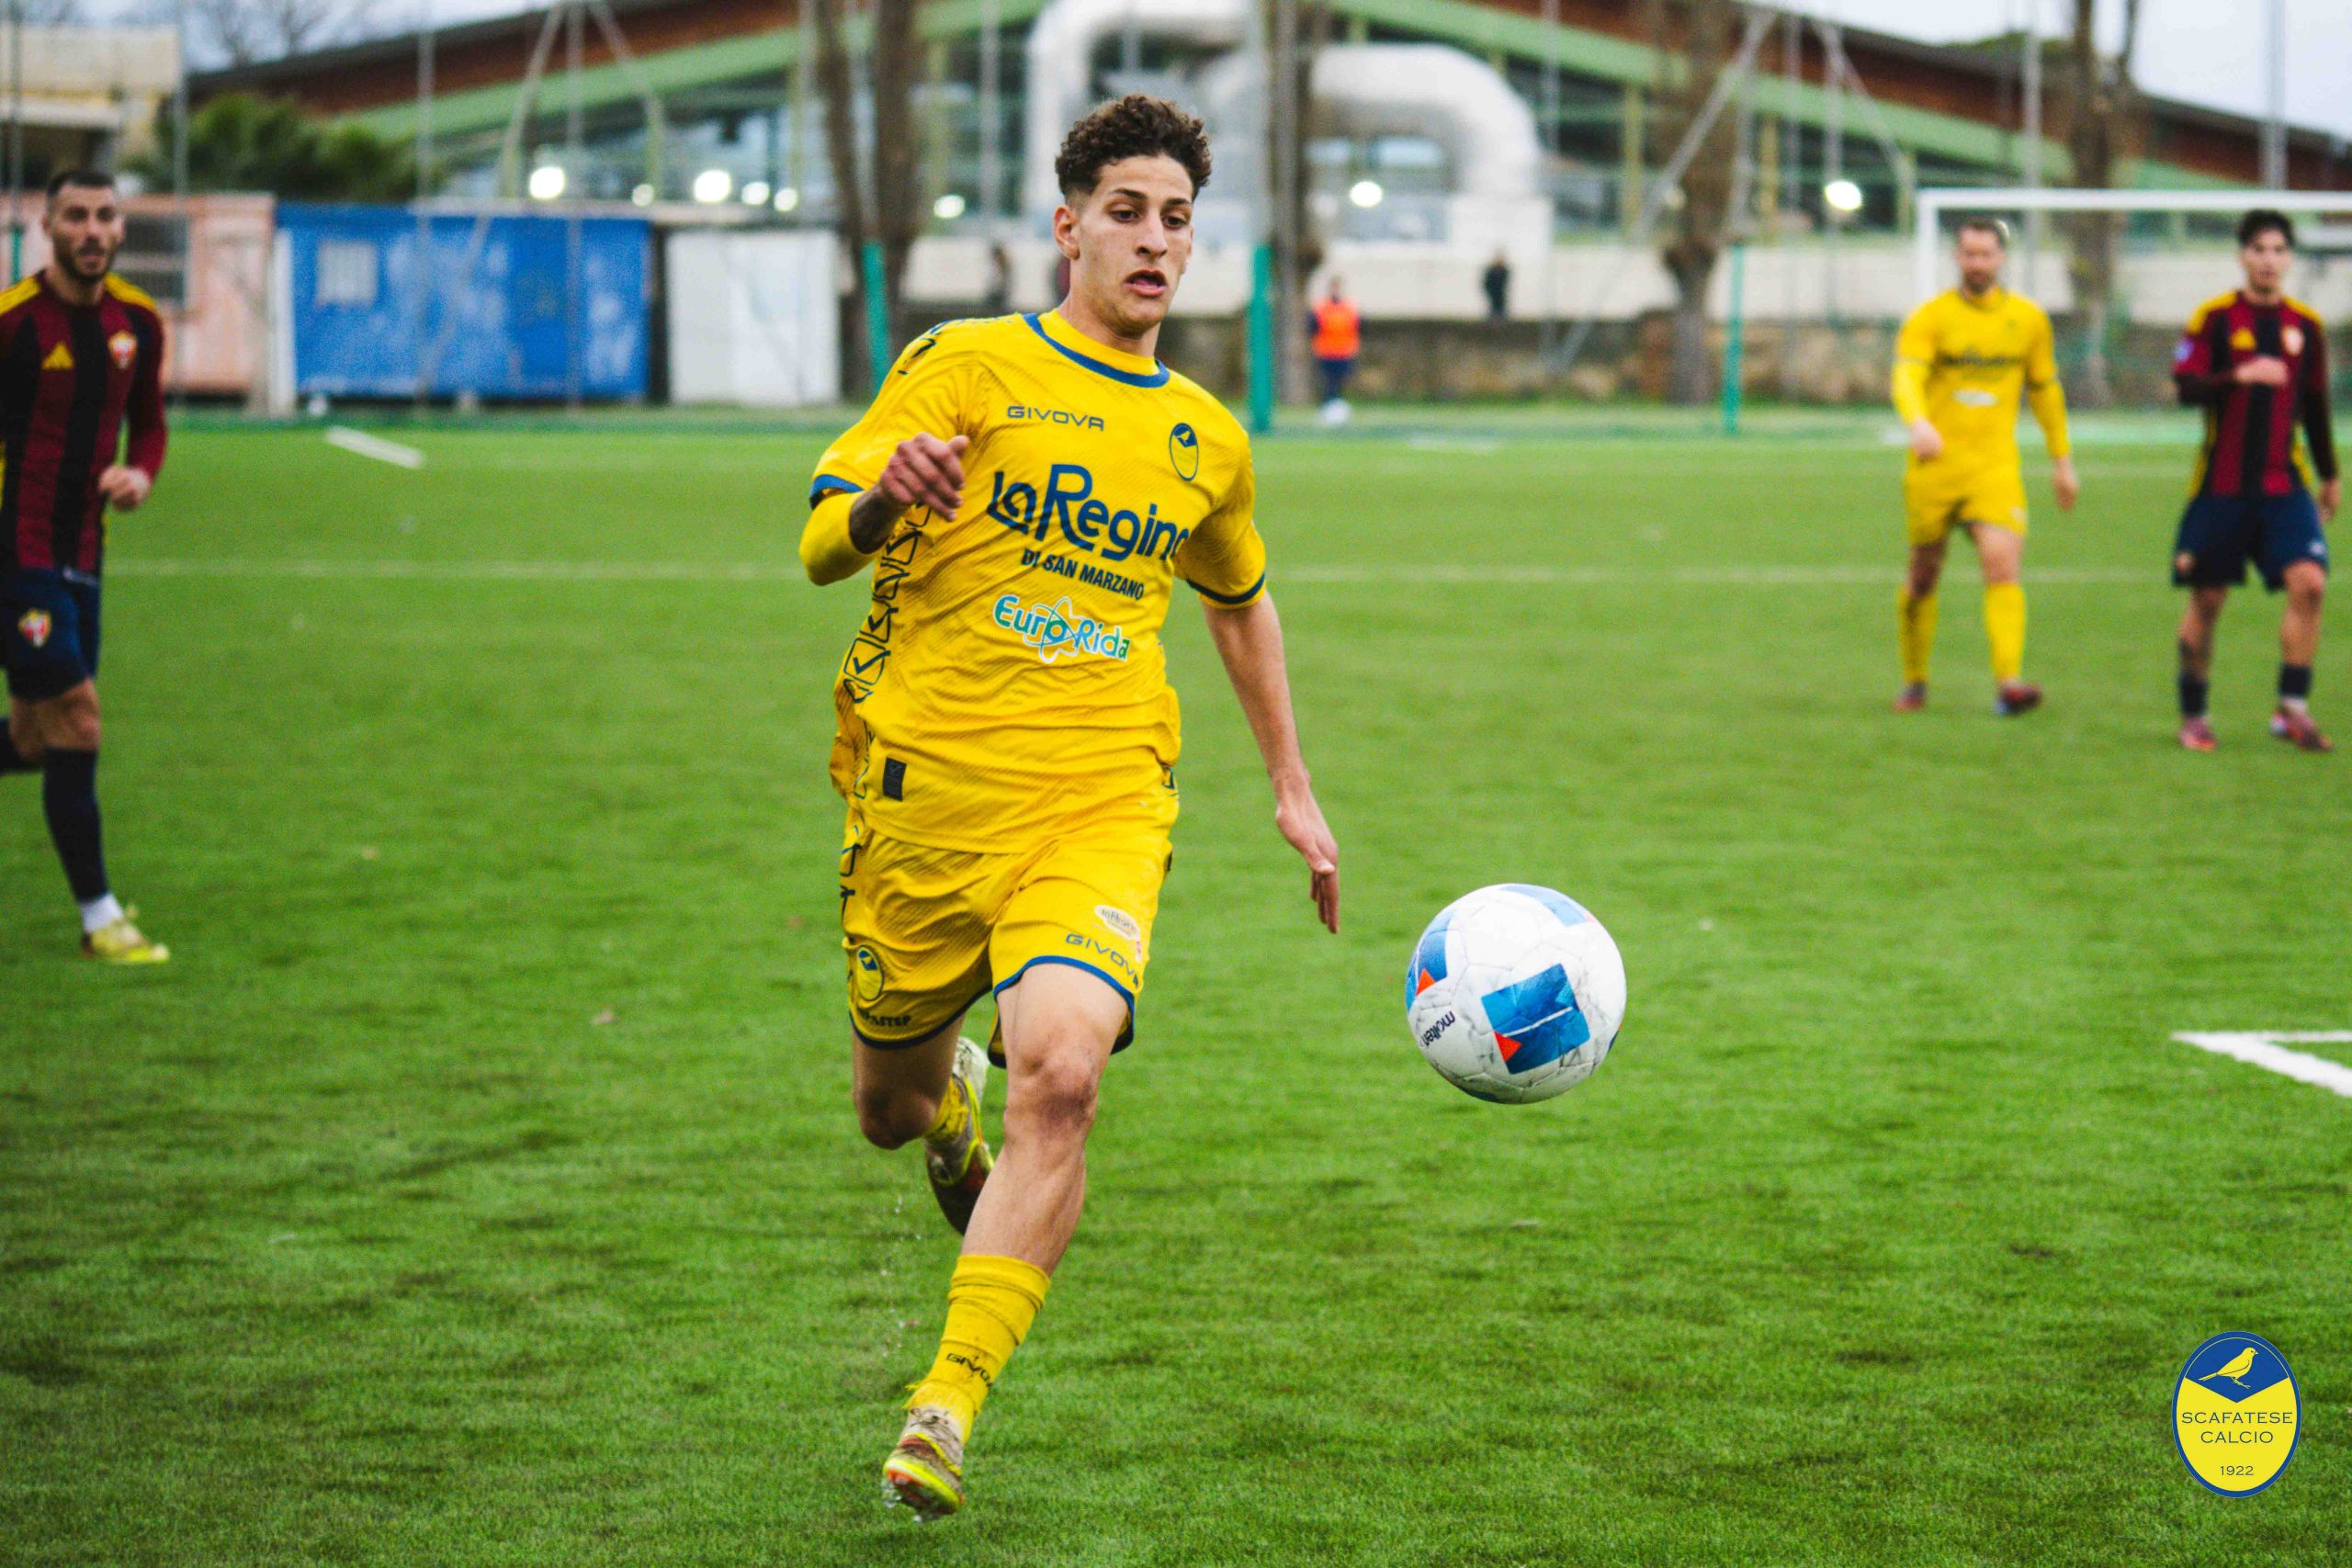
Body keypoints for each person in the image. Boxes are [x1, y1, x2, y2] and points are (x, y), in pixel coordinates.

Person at [797, 94, 1340, 1521]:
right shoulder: (964, 364)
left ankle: (945, 1403)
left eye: (1177, 219)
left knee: (1065, 1073)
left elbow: (1239, 597)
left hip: (1100, 800)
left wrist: (1292, 786)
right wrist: (884, 502)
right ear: (1069, 226)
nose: (1155, 240)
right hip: (925, 801)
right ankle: (943, 1100)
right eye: (1127, 212)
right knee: (885, 1108)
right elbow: (818, 544)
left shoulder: (1205, 436)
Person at [0, 169, 169, 962]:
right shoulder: (13, 323)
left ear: (121, 228)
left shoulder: (138, 322)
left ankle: (99, 916)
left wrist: (141, 475)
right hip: (14, 549)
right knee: (79, 716)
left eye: (106, 215)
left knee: (37, 740)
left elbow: (150, 423)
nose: (93, 230)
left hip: (83, 552)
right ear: (48, 227)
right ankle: (100, 918)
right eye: (76, 216)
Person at [1889, 216, 2077, 716]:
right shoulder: (1931, 318)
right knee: (1923, 576)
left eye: (1986, 254)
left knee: (2002, 563)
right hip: (1935, 467)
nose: (1977, 263)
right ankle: (1914, 680)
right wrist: (1918, 423)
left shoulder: (2029, 321)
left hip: (1994, 468)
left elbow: (2045, 391)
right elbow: (1907, 376)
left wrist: (2062, 460)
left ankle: (2008, 683)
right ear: (1957, 257)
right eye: (1969, 254)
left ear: (2001, 258)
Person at [2168, 209, 2338, 752]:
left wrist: (2330, 474)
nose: (2269, 260)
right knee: (2208, 600)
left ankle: (2292, 709)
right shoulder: (2215, 318)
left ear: (2289, 259)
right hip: (2221, 485)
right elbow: (2185, 386)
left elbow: (2315, 404)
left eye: (2279, 250)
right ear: (2242, 256)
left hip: (2285, 485)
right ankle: (2195, 714)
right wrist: (2238, 374)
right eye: (2259, 249)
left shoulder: (2306, 326)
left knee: (2310, 583)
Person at [1308, 276, 1361, 426]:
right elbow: (1312, 327)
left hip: (1344, 351)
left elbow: (1357, 327)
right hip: (1326, 351)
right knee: (1329, 383)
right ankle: (1328, 411)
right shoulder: (1322, 308)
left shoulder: (1349, 308)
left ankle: (1336, 410)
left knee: (1340, 382)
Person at [1483, 250, 1510, 322]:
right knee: (1494, 309)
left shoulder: (1504, 270)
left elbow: (1505, 282)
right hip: (1493, 293)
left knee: (1501, 310)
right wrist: (1490, 291)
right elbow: (1487, 283)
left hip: (1500, 293)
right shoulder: (1491, 271)